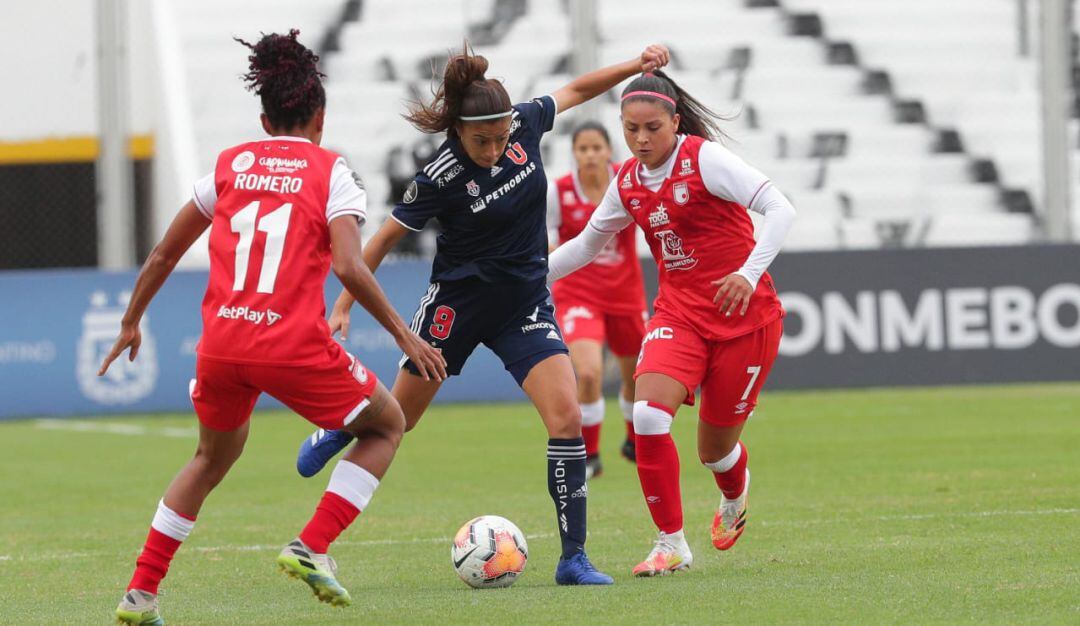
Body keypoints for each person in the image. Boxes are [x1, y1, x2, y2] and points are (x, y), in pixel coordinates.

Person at [295, 43, 671, 585]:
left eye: (500, 138)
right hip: (456, 310)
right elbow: (380, 239)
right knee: (396, 422)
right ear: (457, 132)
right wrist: (345, 301)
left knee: (566, 419)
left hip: (524, 303)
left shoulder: (523, 123)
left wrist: (635, 67)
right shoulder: (439, 176)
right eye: (481, 141)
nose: (495, 148)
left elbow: (579, 89)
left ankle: (573, 559)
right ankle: (341, 427)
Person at [105, 31, 446, 625]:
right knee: (388, 424)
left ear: (265, 119)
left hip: (220, 345)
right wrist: (402, 333)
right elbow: (347, 263)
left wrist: (132, 320)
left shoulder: (231, 165)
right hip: (290, 343)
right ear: (320, 115)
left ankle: (140, 593)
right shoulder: (331, 171)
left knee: (209, 460)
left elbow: (162, 254)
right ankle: (312, 545)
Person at [547, 70, 796, 576]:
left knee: (714, 452)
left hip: (744, 319)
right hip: (678, 314)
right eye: (631, 129)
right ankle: (671, 544)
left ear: (675, 122)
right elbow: (585, 246)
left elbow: (780, 208)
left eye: (652, 128)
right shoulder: (628, 182)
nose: (641, 140)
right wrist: (523, 281)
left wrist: (748, 275)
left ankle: (734, 488)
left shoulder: (704, 160)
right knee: (648, 417)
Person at [546, 121, 648, 479]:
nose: (590, 155)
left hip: (625, 291)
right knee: (587, 373)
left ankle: (634, 441)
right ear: (574, 153)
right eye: (582, 149)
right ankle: (589, 457)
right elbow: (542, 238)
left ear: (609, 150)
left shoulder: (629, 178)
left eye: (596, 148)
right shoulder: (559, 192)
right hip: (578, 292)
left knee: (637, 375)